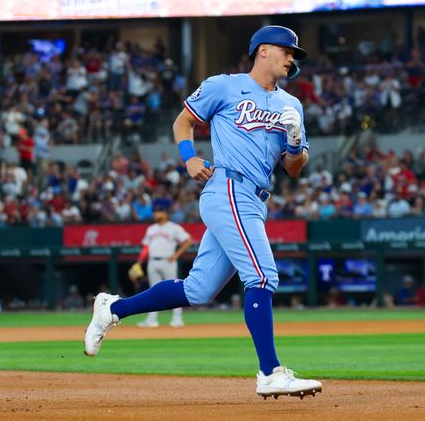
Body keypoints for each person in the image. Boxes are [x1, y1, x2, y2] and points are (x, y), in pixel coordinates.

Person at [84, 25, 322, 399]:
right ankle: (270, 371)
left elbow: (294, 168)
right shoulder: (223, 86)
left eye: (295, 54)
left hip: (257, 197)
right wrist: (189, 157)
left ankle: (113, 308)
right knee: (262, 277)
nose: (292, 57)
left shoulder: (292, 106)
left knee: (198, 289)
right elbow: (183, 121)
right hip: (228, 186)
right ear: (262, 51)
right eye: (287, 50)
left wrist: (294, 142)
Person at [135, 206, 193, 328]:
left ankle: (177, 318)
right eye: (155, 212)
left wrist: (176, 255)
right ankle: (152, 320)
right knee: (152, 290)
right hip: (152, 261)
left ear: (165, 213)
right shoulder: (151, 229)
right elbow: (146, 247)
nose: (156, 214)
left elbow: (188, 241)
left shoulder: (174, 227)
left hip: (168, 261)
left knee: (174, 289)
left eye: (159, 211)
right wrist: (139, 262)